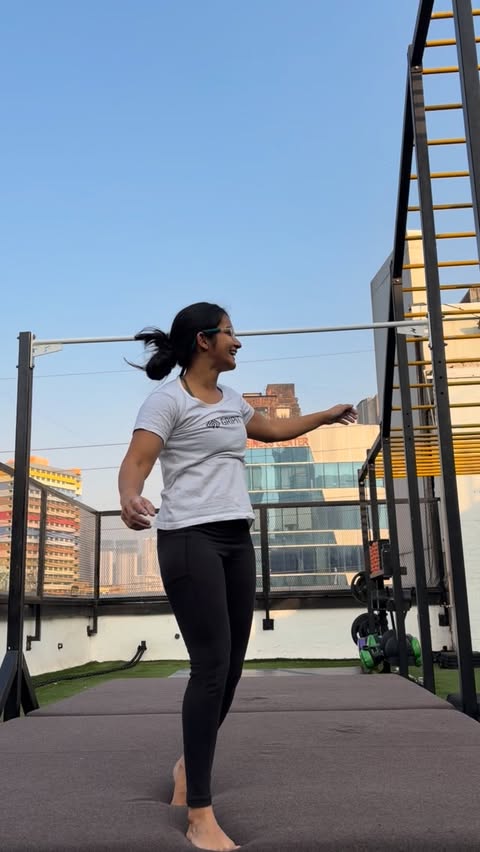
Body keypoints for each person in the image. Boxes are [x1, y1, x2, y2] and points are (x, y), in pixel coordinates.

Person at [118, 301, 357, 851]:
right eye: (230, 333)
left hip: (234, 539)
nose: (238, 342)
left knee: (230, 670)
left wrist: (323, 415)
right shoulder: (168, 400)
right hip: (188, 538)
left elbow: (271, 429)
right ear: (204, 340)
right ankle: (199, 815)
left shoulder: (230, 400)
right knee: (210, 667)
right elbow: (138, 461)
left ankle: (188, 764)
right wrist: (129, 497)